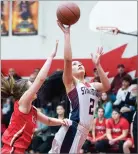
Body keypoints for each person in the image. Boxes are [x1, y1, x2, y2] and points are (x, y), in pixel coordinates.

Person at [49, 20, 110, 153]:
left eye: (81, 63)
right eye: (75, 64)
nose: (79, 64)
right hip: (73, 127)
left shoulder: (92, 84)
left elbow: (106, 86)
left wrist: (98, 65)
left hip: (83, 130)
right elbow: (68, 60)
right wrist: (67, 34)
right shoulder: (71, 82)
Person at [1, 41, 69, 154]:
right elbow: (40, 79)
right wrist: (51, 57)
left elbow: (48, 121)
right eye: (31, 86)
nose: (34, 87)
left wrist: (64, 121)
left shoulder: (32, 110)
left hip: (19, 150)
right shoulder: (22, 103)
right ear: (25, 92)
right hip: (11, 150)